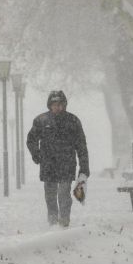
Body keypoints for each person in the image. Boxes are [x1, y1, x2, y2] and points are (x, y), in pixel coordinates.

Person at [26, 90, 90, 227]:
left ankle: (64, 219)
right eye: (54, 104)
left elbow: (81, 146)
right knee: (50, 195)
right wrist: (36, 154)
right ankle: (53, 220)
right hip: (48, 164)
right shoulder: (41, 120)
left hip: (67, 164)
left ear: (64, 105)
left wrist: (84, 167)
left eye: (60, 104)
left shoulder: (73, 121)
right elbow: (31, 139)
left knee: (63, 194)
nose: (57, 107)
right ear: (49, 105)